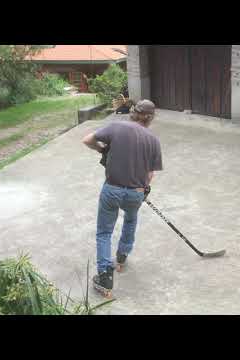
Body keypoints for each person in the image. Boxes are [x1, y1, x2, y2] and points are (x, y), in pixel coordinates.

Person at [82, 99, 163, 297]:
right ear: (151, 118)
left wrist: (102, 150)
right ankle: (121, 256)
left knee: (104, 233)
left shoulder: (116, 127)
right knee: (131, 218)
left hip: (112, 189)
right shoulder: (153, 140)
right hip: (135, 193)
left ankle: (104, 278)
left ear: (132, 112)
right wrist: (144, 189)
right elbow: (150, 175)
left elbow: (87, 140)